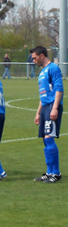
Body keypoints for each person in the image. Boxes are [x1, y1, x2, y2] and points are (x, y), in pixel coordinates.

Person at [30, 46, 64, 183]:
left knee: (49, 138)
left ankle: (56, 173)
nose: (33, 60)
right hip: (45, 107)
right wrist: (38, 113)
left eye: (35, 57)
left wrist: (54, 108)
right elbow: (43, 95)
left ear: (42, 56)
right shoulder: (42, 72)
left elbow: (59, 89)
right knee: (45, 139)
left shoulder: (53, 68)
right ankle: (49, 172)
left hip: (51, 106)